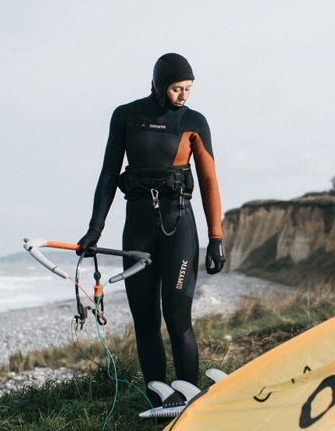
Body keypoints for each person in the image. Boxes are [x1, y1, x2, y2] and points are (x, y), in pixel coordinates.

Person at [75, 53, 226, 405]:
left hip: (179, 226)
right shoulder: (126, 116)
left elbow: (208, 180)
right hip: (138, 229)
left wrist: (216, 238)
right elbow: (109, 175)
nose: (183, 96)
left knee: (177, 317)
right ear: (160, 85)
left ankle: (189, 397)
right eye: (177, 89)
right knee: (145, 320)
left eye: (188, 89)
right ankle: (158, 400)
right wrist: (95, 229)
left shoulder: (195, 122)